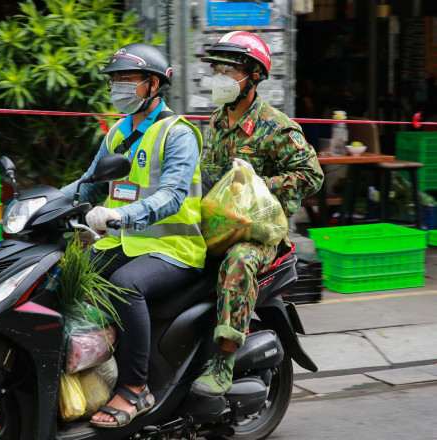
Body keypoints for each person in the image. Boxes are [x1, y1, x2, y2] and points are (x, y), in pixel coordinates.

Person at [60, 43, 206, 428]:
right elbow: (88, 186)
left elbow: (172, 196)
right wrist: (40, 206)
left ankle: (135, 389)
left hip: (173, 247)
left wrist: (117, 215)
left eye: (126, 79)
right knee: (62, 272)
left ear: (153, 84)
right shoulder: (118, 133)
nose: (117, 87)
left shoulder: (179, 134)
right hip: (122, 242)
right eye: (115, 81)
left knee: (125, 286)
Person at [190, 31, 324, 397]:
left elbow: (312, 175)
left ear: (255, 77)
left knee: (238, 262)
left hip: (260, 236)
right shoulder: (216, 122)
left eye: (229, 70)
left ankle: (224, 362)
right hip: (217, 229)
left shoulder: (276, 126)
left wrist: (257, 185)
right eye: (216, 69)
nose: (219, 77)